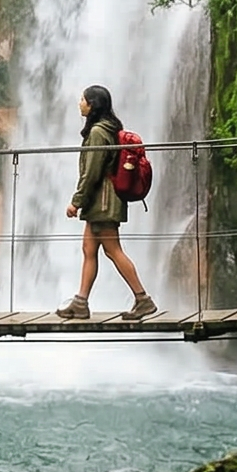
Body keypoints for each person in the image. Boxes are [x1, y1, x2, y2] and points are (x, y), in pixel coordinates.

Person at [60, 85, 157, 320]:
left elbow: (92, 172)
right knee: (89, 249)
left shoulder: (97, 133)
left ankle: (143, 299)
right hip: (101, 201)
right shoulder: (109, 129)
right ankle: (80, 302)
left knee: (113, 251)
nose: (79, 103)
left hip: (103, 201)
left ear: (92, 104)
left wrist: (76, 201)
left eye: (83, 99)